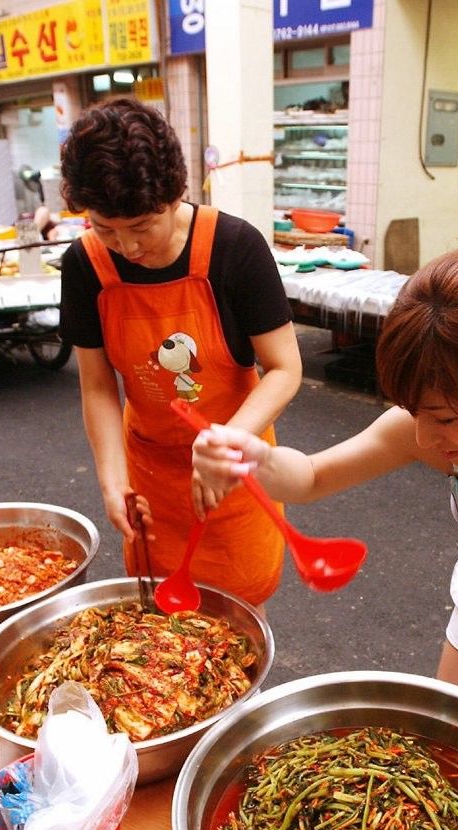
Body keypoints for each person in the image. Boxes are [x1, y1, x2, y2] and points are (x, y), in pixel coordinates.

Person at [190, 242, 458, 790]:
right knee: (443, 741)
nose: (422, 438)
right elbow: (311, 479)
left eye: (444, 418)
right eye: (414, 412)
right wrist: (253, 457)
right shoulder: (428, 430)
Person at [58, 97, 302, 609]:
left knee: (236, 624)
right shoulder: (84, 266)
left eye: (142, 227)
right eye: (105, 228)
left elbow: (284, 369)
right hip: (148, 475)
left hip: (233, 463)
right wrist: (111, 481)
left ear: (176, 196)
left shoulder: (235, 247)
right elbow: (98, 386)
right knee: (157, 628)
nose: (126, 247)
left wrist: (225, 443)